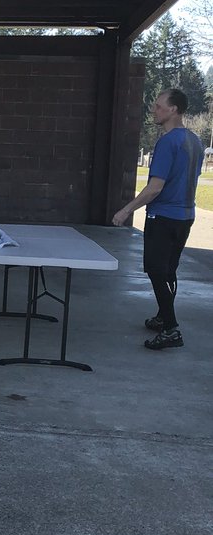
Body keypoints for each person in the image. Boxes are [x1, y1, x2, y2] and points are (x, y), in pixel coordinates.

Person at [112, 88, 203, 350]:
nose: (154, 109)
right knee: (169, 270)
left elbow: (155, 187)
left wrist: (126, 209)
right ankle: (163, 316)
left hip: (162, 216)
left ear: (173, 109)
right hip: (186, 217)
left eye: (159, 105)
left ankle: (171, 328)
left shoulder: (168, 142)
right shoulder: (195, 142)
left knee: (155, 271)